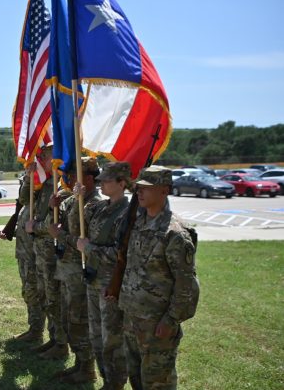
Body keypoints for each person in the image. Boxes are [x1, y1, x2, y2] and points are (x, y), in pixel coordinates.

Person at [117, 166, 200, 390]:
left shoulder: (175, 233)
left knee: (157, 382)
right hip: (133, 318)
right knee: (136, 378)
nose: (139, 193)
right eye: (138, 189)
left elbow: (187, 284)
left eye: (146, 188)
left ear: (164, 190)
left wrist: (171, 320)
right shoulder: (138, 223)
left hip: (157, 324)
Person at [47, 157, 103, 383]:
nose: (68, 179)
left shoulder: (95, 205)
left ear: (88, 178)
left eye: (73, 176)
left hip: (80, 273)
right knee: (69, 319)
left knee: (79, 321)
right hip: (67, 270)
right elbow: (64, 211)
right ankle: (80, 363)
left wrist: (59, 235)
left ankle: (87, 368)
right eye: (68, 176)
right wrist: (55, 204)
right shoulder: (77, 200)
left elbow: (85, 242)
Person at [76, 161, 132, 390]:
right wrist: (79, 196)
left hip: (111, 285)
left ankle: (116, 382)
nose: (101, 184)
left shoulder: (128, 214)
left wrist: (89, 249)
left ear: (122, 183)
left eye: (107, 181)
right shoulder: (100, 207)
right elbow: (79, 221)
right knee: (96, 335)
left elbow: (121, 254)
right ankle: (106, 379)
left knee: (112, 339)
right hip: (94, 280)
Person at [26, 144, 68, 358]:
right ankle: (53, 339)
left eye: (45, 155)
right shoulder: (44, 183)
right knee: (45, 296)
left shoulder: (60, 186)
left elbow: (55, 225)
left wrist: (36, 228)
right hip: (41, 251)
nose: (41, 157)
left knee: (54, 299)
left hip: (51, 252)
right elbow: (27, 201)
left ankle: (60, 343)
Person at [0, 171, 45, 344]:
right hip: (23, 255)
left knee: (33, 293)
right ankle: (33, 329)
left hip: (33, 257)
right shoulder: (26, 206)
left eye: (25, 183)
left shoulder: (36, 205)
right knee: (27, 292)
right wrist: (9, 231)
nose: (22, 187)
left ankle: (36, 331)